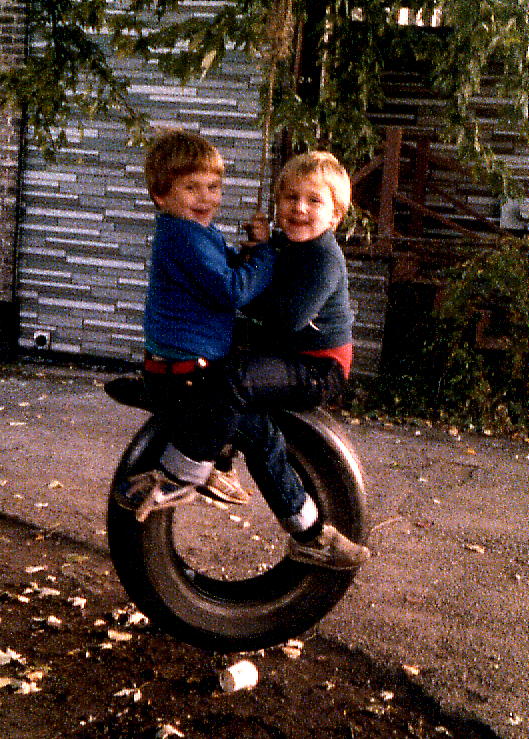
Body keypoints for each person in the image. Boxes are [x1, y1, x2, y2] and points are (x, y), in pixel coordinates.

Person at [123, 148, 370, 570]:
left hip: (317, 367)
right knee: (251, 421)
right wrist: (257, 250)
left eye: (314, 201)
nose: (299, 208)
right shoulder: (283, 244)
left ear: (335, 215)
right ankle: (304, 528)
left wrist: (252, 272)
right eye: (289, 198)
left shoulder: (324, 258)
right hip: (282, 356)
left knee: (236, 377)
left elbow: (284, 318)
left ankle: (182, 473)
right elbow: (255, 278)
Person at [122, 127, 276, 505]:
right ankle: (191, 473)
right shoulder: (185, 237)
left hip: (186, 353)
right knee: (242, 388)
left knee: (242, 364)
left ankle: (218, 462)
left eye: (213, 187)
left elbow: (222, 270)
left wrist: (249, 253)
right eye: (191, 188)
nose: (206, 197)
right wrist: (267, 255)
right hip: (187, 363)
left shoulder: (193, 230)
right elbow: (231, 291)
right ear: (160, 194)